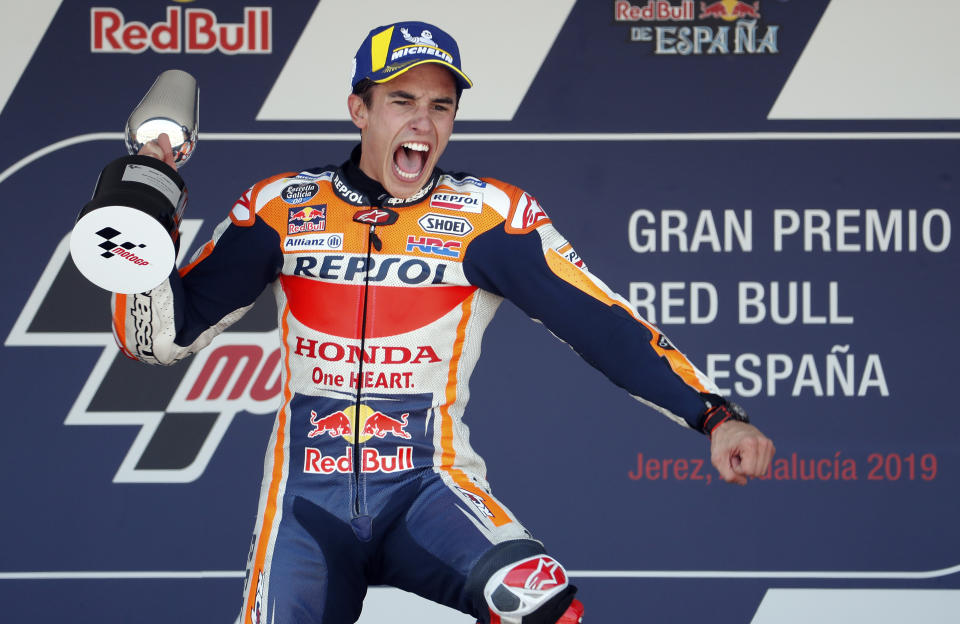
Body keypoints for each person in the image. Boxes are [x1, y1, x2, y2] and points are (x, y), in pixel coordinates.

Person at [124, 20, 775, 624]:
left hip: (429, 492)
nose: (424, 122)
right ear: (361, 110)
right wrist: (142, 222)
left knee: (539, 600)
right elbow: (154, 340)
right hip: (306, 505)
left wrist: (715, 414)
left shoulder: (488, 214)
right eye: (403, 101)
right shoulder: (283, 206)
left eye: (441, 106)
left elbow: (603, 324)